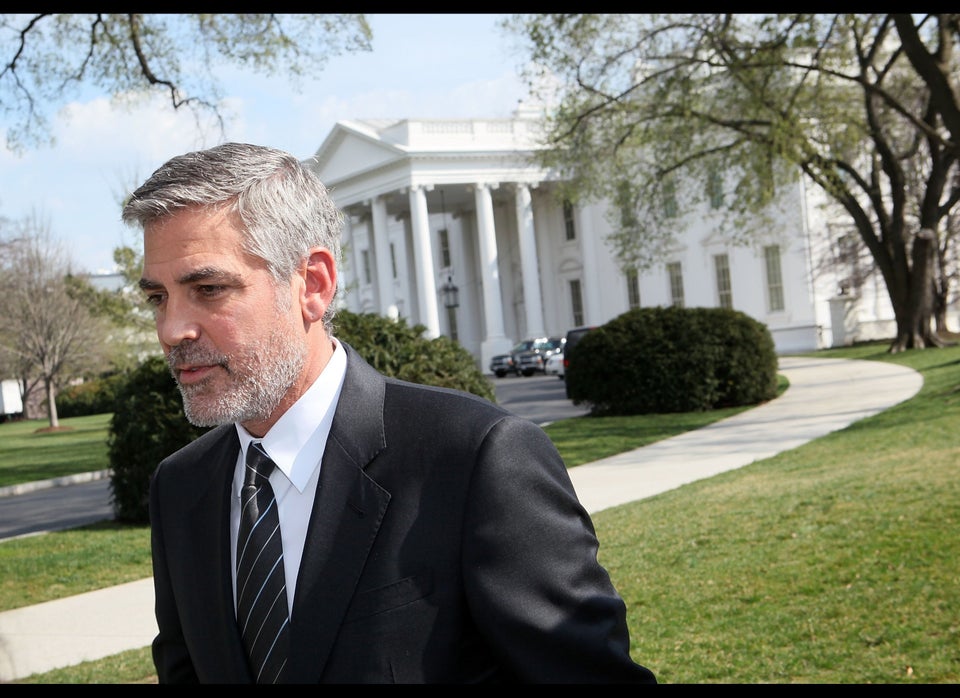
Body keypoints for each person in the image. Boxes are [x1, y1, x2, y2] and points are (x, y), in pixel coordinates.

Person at [122, 142, 658, 685]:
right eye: (158, 299)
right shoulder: (180, 488)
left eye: (208, 289)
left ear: (312, 284)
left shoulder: (475, 459)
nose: (171, 330)